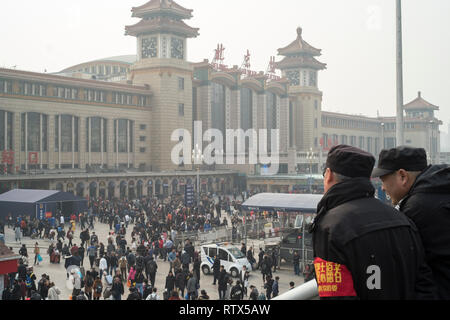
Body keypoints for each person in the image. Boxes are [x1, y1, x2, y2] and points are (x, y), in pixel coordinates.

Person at [311, 145, 436, 299]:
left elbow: (335, 295)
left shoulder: (329, 228)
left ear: (328, 175)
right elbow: (425, 285)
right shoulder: (402, 220)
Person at [372, 146, 450, 299]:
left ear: (402, 176)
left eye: (383, 180)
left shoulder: (416, 208)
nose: (382, 187)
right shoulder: (441, 191)